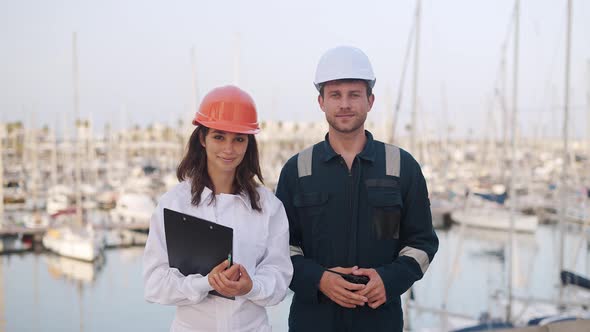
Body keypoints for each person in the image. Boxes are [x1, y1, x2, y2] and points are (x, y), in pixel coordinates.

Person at [275, 46, 439, 331]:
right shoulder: (297, 169)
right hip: (313, 321)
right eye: (335, 95)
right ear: (321, 102)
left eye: (354, 95)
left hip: (379, 320)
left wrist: (389, 281)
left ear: (370, 101)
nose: (345, 104)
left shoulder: (402, 166)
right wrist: (319, 279)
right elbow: (278, 248)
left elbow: (422, 244)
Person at [143, 85, 293, 332]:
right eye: (219, 136)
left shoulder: (269, 207)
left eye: (239, 139)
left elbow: (279, 278)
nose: (229, 149)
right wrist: (204, 283)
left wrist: (250, 287)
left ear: (249, 143)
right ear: (202, 138)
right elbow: (154, 284)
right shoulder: (174, 204)